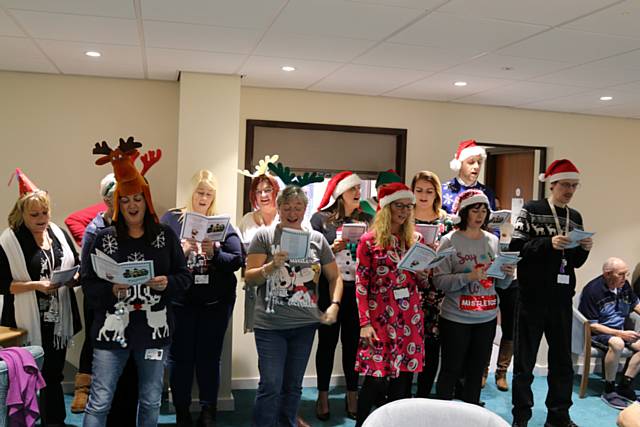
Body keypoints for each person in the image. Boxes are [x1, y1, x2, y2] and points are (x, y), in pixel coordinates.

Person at [82, 137, 190, 427]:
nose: (132, 205)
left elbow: (184, 277)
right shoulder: (104, 238)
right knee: (100, 400)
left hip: (153, 334)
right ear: (118, 203)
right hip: (111, 333)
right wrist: (110, 289)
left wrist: (167, 282)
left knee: (152, 399)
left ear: (146, 200)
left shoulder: (166, 236)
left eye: (137, 199)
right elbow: (88, 284)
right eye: (125, 200)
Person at [245, 184, 343, 427]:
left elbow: (335, 277)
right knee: (270, 384)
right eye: (286, 207)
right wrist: (270, 268)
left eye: (298, 207)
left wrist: (334, 305)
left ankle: (288, 423)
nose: (292, 212)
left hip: (305, 325)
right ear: (278, 208)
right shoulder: (265, 237)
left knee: (293, 386)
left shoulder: (317, 240)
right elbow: (249, 277)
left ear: (305, 209)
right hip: (270, 325)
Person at [510, 159, 593, 427]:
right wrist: (549, 243)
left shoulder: (575, 216)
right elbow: (516, 248)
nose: (570, 190)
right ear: (552, 184)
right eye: (566, 185)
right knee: (525, 363)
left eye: (574, 186)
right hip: (531, 297)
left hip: (561, 298)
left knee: (562, 363)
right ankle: (521, 417)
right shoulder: (531, 210)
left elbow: (575, 263)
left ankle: (559, 415)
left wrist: (584, 248)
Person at [161, 170, 244, 426]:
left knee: (209, 358)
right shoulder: (172, 219)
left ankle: (209, 410)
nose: (204, 198)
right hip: (181, 303)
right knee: (180, 358)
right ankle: (182, 411)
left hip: (214, 304)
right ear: (192, 193)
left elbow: (237, 260)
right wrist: (182, 250)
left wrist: (215, 252)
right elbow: (160, 260)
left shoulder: (222, 223)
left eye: (209, 194)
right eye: (200, 192)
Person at [0, 168, 82, 426]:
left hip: (58, 320)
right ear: (22, 214)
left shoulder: (57, 233)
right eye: (34, 214)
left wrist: (72, 279)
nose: (41, 218)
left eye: (44, 212)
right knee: (28, 375)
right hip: (23, 320)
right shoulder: (9, 241)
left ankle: (54, 420)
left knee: (53, 374)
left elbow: (78, 265)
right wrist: (34, 285)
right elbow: (3, 285)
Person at [433, 189, 515, 405]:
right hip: (455, 318)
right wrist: (468, 276)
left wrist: (507, 274)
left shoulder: (492, 241)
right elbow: (439, 281)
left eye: (483, 211)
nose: (479, 215)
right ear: (464, 213)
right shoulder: (449, 241)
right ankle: (441, 417)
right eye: (475, 210)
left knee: (475, 371)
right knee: (451, 370)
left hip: (486, 318)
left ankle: (471, 414)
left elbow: (501, 285)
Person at [354, 182, 426, 427]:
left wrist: (425, 273)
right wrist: (364, 323)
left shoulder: (415, 239)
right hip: (380, 317)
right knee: (375, 378)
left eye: (409, 206)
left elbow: (420, 281)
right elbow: (361, 283)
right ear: (386, 208)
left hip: (409, 316)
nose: (405, 211)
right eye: (399, 206)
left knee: (403, 380)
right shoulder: (369, 241)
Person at [73, 173, 140, 424]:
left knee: (128, 381)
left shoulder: (135, 226)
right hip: (103, 308)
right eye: (116, 198)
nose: (122, 203)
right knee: (104, 379)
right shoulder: (95, 230)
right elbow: (88, 275)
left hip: (131, 314)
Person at [311, 171, 371, 420]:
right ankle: (323, 395)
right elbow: (310, 252)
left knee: (353, 346)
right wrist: (330, 246)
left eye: (359, 189)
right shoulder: (320, 219)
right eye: (352, 189)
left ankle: (351, 393)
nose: (358, 193)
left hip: (357, 290)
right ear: (340, 194)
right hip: (329, 289)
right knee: (326, 344)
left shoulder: (367, 218)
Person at [410, 170, 453, 398]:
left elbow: (455, 253)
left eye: (429, 191)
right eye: (419, 190)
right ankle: (400, 396)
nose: (424, 196)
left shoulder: (446, 220)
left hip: (437, 290)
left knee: (432, 343)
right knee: (407, 339)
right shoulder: (405, 217)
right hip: (408, 287)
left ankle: (424, 395)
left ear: (436, 193)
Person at [579, 258, 640, 409]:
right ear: (607, 274)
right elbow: (592, 326)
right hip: (598, 333)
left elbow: (636, 304)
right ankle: (609, 390)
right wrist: (620, 334)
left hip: (620, 331)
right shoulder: (592, 291)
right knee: (617, 343)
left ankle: (625, 386)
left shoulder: (624, 285)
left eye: (626, 274)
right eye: (621, 274)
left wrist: (623, 333)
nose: (625, 278)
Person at [441, 139, 496, 214]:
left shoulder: (487, 192)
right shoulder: (443, 191)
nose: (476, 166)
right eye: (471, 162)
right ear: (460, 164)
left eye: (479, 162)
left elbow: (493, 223)